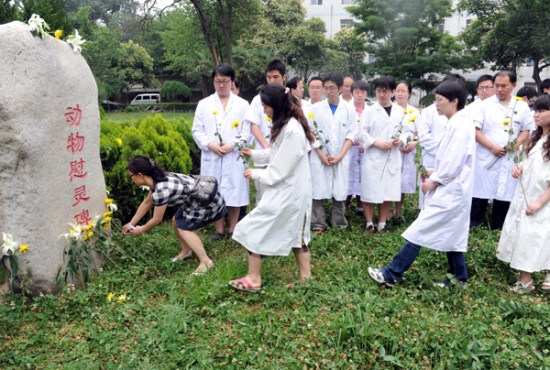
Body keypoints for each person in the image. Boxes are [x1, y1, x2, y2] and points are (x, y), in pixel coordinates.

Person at [368, 79, 476, 287]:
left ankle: (391, 274)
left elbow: (454, 163)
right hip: (453, 187)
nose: (436, 104)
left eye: (439, 100)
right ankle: (459, 278)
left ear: (454, 101)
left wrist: (434, 181)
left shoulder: (461, 125)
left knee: (419, 230)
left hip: (451, 190)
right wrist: (435, 171)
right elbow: (454, 161)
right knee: (453, 234)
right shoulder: (456, 123)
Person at [229, 84, 314, 292]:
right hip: (286, 189)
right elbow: (276, 153)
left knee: (255, 226)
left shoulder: (292, 130)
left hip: (290, 191)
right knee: (297, 233)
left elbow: (280, 169)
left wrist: (255, 173)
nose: (265, 111)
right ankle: (306, 280)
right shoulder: (285, 125)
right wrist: (254, 154)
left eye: (266, 107)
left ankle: (254, 278)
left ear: (276, 105)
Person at [123, 155, 226, 275]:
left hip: (210, 205)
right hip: (200, 201)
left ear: (140, 175)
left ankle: (206, 262)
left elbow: (156, 220)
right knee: (176, 221)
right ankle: (186, 251)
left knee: (183, 228)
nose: (131, 179)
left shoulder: (162, 189)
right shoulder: (158, 179)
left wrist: (140, 230)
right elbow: (147, 203)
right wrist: (132, 223)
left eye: (131, 176)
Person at [496, 94, 550, 293]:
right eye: (536, 110)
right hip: (526, 194)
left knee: (540, 237)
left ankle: (543, 276)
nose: (537, 115)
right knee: (524, 235)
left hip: (542, 198)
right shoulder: (536, 138)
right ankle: (526, 280)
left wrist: (540, 202)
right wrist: (518, 168)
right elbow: (530, 163)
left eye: (543, 111)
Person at [192, 63, 250, 241]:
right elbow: (197, 130)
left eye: (225, 81)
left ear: (232, 82)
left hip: (234, 156)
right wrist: (210, 145)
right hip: (212, 155)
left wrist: (233, 145)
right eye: (218, 81)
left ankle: (233, 228)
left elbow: (247, 132)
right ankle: (219, 229)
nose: (222, 85)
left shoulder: (242, 104)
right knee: (214, 192)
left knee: (235, 191)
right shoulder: (204, 104)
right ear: (213, 82)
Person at [469, 71, 531, 229]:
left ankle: (499, 227)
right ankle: (475, 225)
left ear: (513, 85)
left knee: (505, 191)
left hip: (509, 158)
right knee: (481, 190)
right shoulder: (484, 105)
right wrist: (492, 147)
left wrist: (517, 143)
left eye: (503, 86)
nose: (499, 89)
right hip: (486, 156)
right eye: (497, 85)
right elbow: (475, 131)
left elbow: (526, 129)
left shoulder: (521, 107)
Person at [308, 72, 357, 232]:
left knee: (340, 189)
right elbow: (310, 133)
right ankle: (318, 223)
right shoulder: (315, 109)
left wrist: (340, 156)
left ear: (341, 88)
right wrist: (321, 155)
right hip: (320, 157)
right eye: (326, 88)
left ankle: (339, 223)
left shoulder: (349, 110)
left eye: (332, 88)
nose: (328, 92)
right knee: (318, 188)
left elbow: (351, 134)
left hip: (340, 157)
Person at [360, 76, 405, 233]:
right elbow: (362, 132)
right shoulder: (370, 110)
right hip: (374, 157)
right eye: (379, 91)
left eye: (385, 91)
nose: (381, 95)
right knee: (370, 190)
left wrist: (401, 140)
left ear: (392, 92)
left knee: (388, 190)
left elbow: (406, 132)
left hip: (392, 156)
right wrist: (375, 142)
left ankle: (382, 224)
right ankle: (369, 223)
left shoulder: (400, 111)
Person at [244, 59, 287, 205]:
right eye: (269, 77)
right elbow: (254, 125)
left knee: (281, 197)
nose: (272, 80)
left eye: (275, 77)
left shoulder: (290, 99)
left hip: (283, 155)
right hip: (263, 153)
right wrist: (267, 147)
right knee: (262, 197)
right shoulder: (258, 100)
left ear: (284, 77)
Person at [393, 80, 420, 221]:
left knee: (402, 182)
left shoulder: (414, 112)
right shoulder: (391, 109)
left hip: (408, 152)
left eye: (403, 91)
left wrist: (413, 144)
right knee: (391, 179)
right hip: (393, 150)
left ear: (409, 93)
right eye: (397, 90)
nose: (400, 93)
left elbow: (419, 133)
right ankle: (386, 210)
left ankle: (398, 211)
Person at [347, 80, 369, 213]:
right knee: (348, 176)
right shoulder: (346, 108)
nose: (360, 95)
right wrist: (351, 140)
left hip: (365, 151)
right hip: (349, 149)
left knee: (363, 177)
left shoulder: (371, 110)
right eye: (357, 92)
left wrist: (366, 144)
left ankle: (361, 207)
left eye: (362, 92)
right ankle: (346, 205)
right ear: (352, 93)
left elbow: (374, 131)